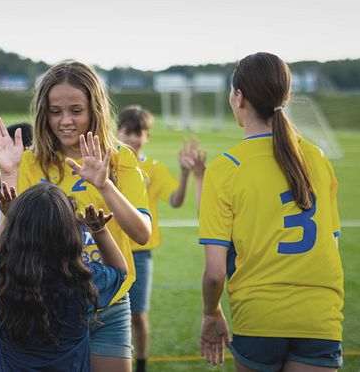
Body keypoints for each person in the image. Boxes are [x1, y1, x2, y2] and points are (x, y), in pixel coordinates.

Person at [0, 59, 152, 372]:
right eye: (55, 111)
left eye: (76, 110)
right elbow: (11, 238)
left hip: (109, 304)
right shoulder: (30, 163)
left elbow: (142, 234)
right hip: (50, 306)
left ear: (94, 109)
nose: (65, 121)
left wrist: (106, 186)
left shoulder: (119, 158)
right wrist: (9, 174)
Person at [198, 52, 344, 372]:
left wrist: (211, 313)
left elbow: (214, 272)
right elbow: (330, 246)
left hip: (260, 315)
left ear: (239, 97)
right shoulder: (316, 158)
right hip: (321, 315)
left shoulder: (227, 167)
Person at [0, 182, 128, 371]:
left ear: (17, 231)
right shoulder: (83, 281)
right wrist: (99, 230)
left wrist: (8, 219)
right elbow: (120, 270)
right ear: (70, 233)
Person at [116, 105, 207, 372]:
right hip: (108, 248)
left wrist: (185, 173)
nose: (133, 138)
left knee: (138, 314)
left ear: (148, 137)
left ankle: (140, 365)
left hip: (141, 254)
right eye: (128, 131)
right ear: (116, 132)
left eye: (139, 133)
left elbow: (176, 200)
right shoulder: (108, 162)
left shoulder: (153, 168)